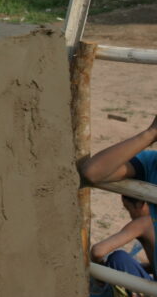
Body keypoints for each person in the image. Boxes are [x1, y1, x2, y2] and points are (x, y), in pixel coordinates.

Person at [81, 114, 157, 287]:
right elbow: (92, 172)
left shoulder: (142, 224)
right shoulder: (152, 164)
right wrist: (150, 133)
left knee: (119, 259)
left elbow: (98, 251)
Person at [91, 195, 154, 283]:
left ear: (141, 204)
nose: (131, 215)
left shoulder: (144, 223)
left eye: (129, 209)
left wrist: (100, 277)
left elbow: (97, 251)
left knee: (119, 258)